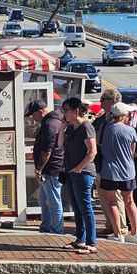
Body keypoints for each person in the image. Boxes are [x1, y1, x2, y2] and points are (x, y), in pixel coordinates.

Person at [57, 97, 97, 255]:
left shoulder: (86, 127)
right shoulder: (71, 127)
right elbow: (60, 145)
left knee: (86, 208)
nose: (64, 113)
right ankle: (80, 239)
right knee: (77, 208)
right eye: (63, 110)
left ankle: (91, 243)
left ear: (76, 111)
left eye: (67, 110)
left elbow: (92, 151)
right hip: (71, 171)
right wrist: (62, 126)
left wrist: (80, 167)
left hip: (83, 172)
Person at [99, 102, 137, 244]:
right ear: (124, 116)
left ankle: (118, 234)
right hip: (128, 170)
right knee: (130, 201)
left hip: (110, 169)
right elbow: (132, 151)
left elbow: (102, 147)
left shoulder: (106, 129)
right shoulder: (130, 130)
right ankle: (134, 233)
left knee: (111, 203)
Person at [93, 88, 127, 237]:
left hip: (114, 165)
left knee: (116, 197)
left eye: (103, 99)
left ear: (113, 101)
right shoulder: (101, 119)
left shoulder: (120, 120)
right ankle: (110, 224)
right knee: (103, 196)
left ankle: (122, 227)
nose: (100, 101)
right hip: (100, 163)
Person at [28, 99, 64, 235]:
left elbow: (47, 151)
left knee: (53, 201)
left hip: (51, 169)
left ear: (40, 111)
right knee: (44, 201)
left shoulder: (50, 123)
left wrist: (39, 169)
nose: (33, 118)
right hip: (51, 168)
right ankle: (46, 227)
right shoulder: (55, 120)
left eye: (33, 114)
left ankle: (57, 229)